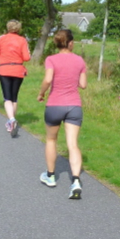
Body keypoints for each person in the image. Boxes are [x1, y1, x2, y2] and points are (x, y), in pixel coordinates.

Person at [37, 29, 87, 200]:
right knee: (72, 144)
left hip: (55, 105)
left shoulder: (51, 59)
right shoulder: (79, 60)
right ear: (70, 43)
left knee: (51, 139)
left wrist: (41, 93)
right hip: (74, 106)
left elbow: (48, 79)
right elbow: (83, 85)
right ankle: (76, 181)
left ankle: (50, 176)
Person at [0, 19, 31, 137]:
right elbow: (27, 57)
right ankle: (12, 120)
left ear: (7, 27)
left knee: (7, 97)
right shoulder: (22, 40)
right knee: (14, 97)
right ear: (19, 28)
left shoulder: (1, 39)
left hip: (4, 69)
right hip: (18, 70)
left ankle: (11, 120)